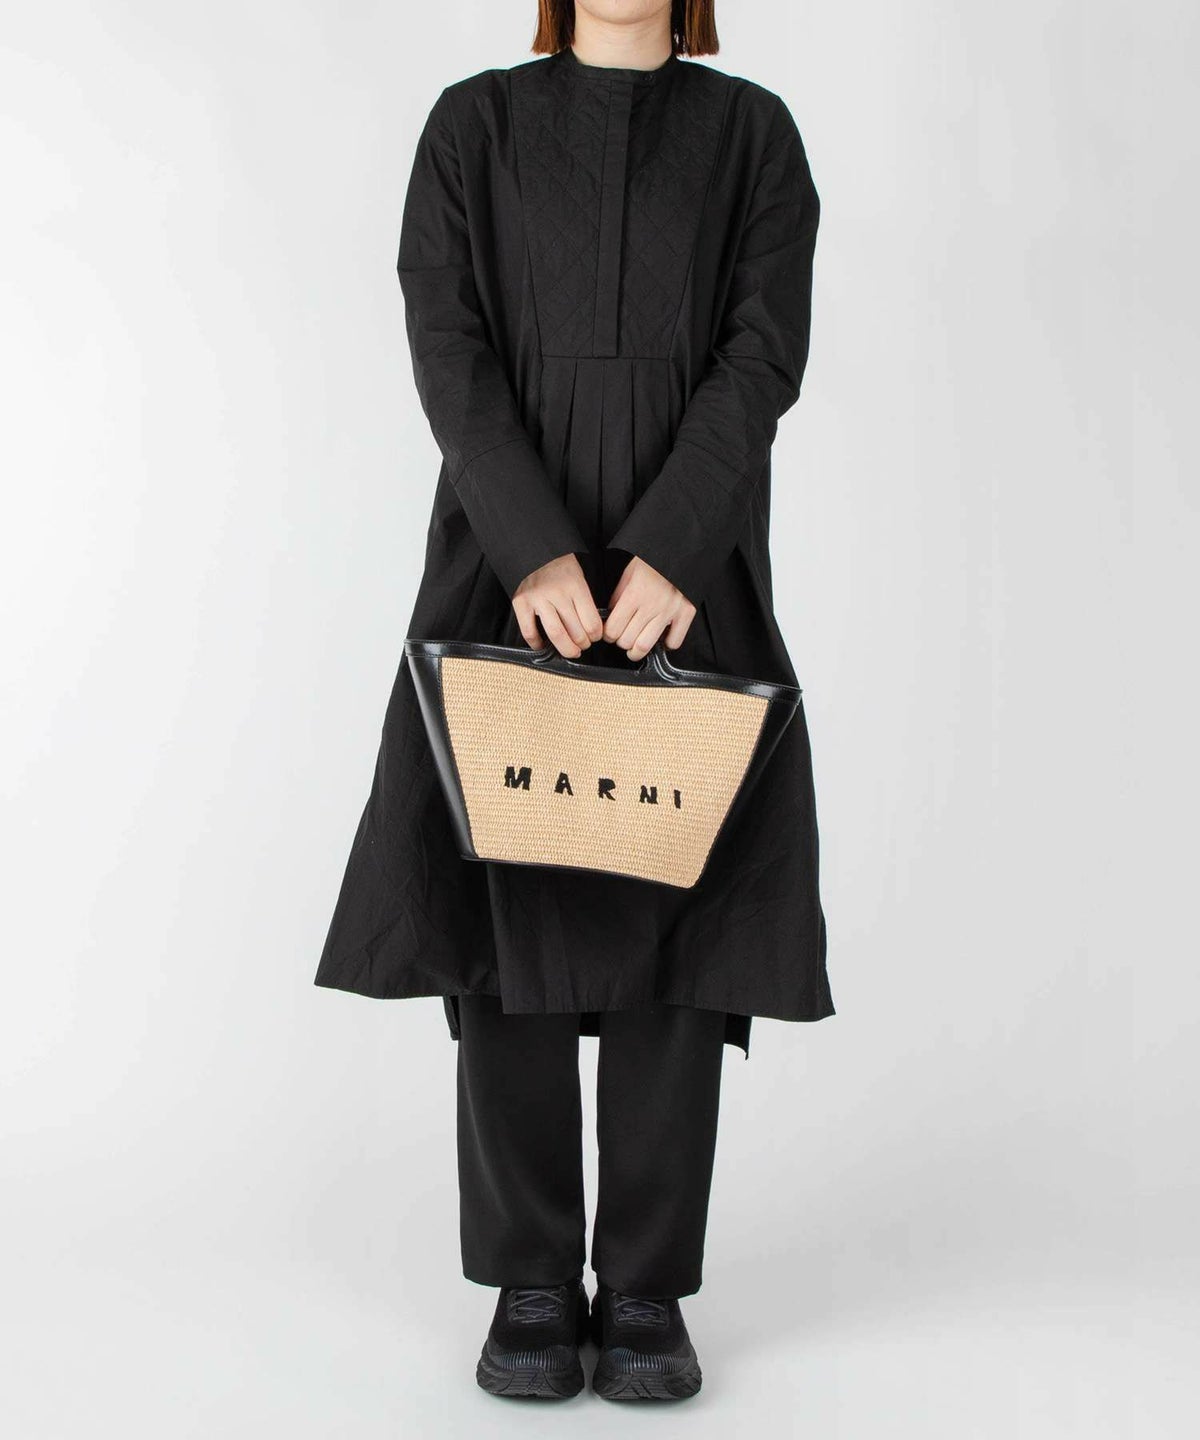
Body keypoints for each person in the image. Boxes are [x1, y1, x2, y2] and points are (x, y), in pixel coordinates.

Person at [313, 0, 835, 1402]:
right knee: (510, 923)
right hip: (506, 567)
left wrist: (673, 548)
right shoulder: (472, 126)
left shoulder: (755, 136)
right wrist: (532, 545)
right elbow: (449, 344)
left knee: (678, 920)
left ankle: (648, 1286)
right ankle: (533, 1281)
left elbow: (761, 354)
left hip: (692, 580)